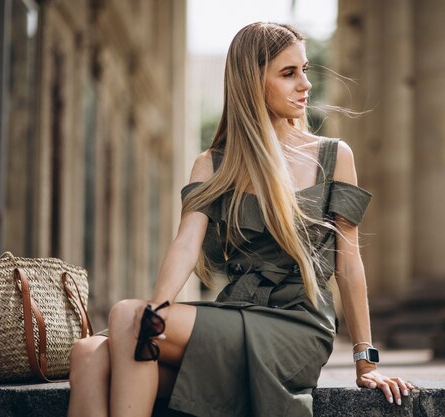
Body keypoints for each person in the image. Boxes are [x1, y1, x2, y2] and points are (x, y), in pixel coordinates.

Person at [67, 22, 414, 417]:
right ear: (252, 83)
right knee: (89, 351)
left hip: (297, 326)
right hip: (236, 314)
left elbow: (349, 264)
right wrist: (156, 312)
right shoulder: (213, 163)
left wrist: (365, 361)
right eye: (288, 73)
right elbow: (185, 244)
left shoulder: (334, 156)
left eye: (305, 70)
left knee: (126, 316)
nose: (305, 84)